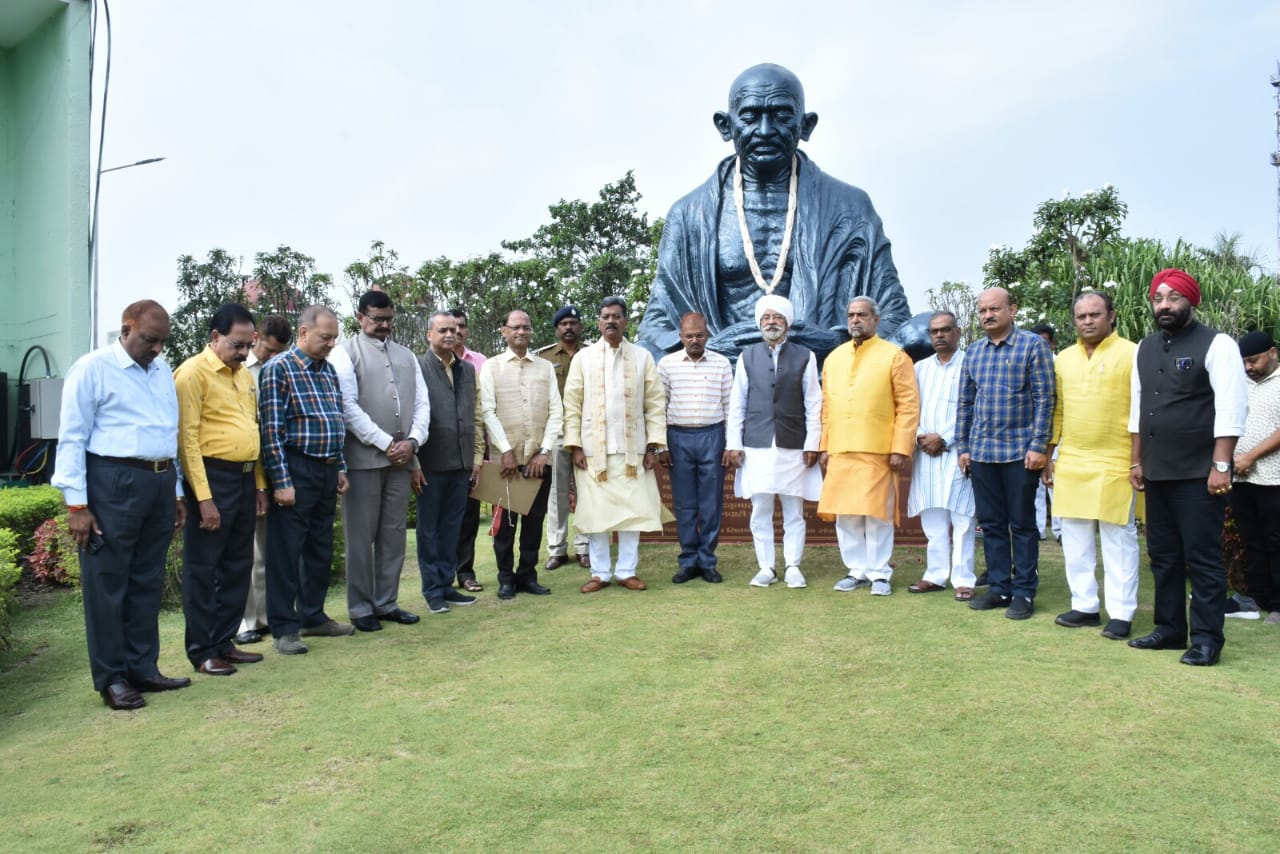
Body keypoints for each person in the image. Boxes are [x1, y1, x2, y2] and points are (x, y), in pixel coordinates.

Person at [638, 63, 913, 363]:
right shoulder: (689, 215)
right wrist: (714, 347)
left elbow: (894, 318)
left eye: (781, 116)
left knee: (922, 333)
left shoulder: (849, 207)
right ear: (725, 125)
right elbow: (657, 328)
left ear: (805, 125)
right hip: (718, 374)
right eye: (750, 116)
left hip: (820, 370)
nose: (765, 130)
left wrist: (836, 341)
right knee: (641, 358)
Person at [52, 300, 190, 710]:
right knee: (108, 583)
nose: (157, 349)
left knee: (147, 581)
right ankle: (111, 677)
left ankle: (142, 667)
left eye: (163, 341)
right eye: (150, 339)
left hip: (159, 482)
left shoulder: (162, 369)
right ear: (125, 329)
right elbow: (72, 438)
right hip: (112, 481)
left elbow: (169, 430)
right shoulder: (92, 369)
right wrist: (77, 506)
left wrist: (177, 491)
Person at [1127, 269, 1248, 666]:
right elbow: (1137, 411)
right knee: (1162, 556)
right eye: (1158, 298)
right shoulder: (1144, 347)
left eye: (1173, 297)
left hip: (1200, 472)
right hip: (1157, 470)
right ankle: (1170, 629)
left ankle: (1208, 639)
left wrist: (1221, 464)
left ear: (1190, 301)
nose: (1164, 305)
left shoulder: (1218, 344)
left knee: (1203, 559)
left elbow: (1231, 409)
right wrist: (1137, 460)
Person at [173, 303, 268, 677]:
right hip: (211, 479)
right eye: (238, 345)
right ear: (215, 337)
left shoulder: (244, 375)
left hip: (244, 478)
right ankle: (202, 650)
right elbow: (187, 441)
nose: (245, 354)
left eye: (249, 345)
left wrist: (259, 484)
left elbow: (252, 429)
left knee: (237, 564)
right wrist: (203, 498)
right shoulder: (191, 374)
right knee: (204, 568)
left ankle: (225, 641)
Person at [1043, 292, 1140, 640]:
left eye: (1095, 314)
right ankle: (1084, 605)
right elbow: (1058, 410)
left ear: (1111, 316)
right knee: (1075, 538)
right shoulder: (1063, 359)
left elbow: (1142, 413)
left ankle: (1121, 613)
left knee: (1118, 539)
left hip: (1117, 459)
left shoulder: (1133, 353)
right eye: (1081, 315)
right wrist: (1049, 454)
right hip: (1072, 459)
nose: (1087, 321)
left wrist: (1137, 460)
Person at [331, 291, 430, 632]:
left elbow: (422, 405)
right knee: (360, 537)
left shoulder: (406, 356)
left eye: (389, 319)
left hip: (402, 461)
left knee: (393, 535)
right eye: (377, 319)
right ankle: (360, 608)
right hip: (363, 461)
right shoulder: (343, 353)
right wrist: (388, 443)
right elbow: (347, 406)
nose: (384, 325)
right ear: (360, 317)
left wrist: (413, 442)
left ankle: (387, 601)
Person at [955, 287, 1055, 620]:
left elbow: (1044, 400)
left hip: (1019, 453)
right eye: (982, 310)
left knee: (1022, 525)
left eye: (994, 309)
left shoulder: (1032, 346)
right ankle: (999, 588)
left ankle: (1024, 592)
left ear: (1013, 310)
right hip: (982, 452)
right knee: (993, 525)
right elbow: (966, 403)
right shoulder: (974, 351)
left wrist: (1038, 446)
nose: (987, 315)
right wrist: (964, 447)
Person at [259, 305, 353, 655]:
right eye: (324, 337)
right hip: (296, 469)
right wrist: (281, 481)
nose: (330, 344)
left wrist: (340, 465)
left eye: (333, 338)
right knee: (286, 551)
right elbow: (272, 431)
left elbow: (335, 419)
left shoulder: (327, 371)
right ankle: (284, 627)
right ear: (302, 333)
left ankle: (312, 616)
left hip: (327, 468)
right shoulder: (277, 370)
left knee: (319, 547)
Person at [563, 296, 668, 592]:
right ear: (598, 322)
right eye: (605, 316)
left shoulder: (642, 357)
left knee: (631, 513)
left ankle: (626, 571)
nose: (611, 321)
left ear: (625, 321)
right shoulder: (583, 358)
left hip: (633, 451)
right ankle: (599, 573)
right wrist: (575, 445)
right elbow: (572, 403)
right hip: (593, 453)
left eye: (616, 316)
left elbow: (655, 404)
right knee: (597, 515)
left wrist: (653, 447)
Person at [819, 297, 919, 596]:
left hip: (877, 449)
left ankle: (879, 573)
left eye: (861, 315)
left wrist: (901, 448)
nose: (855, 320)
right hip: (840, 449)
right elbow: (826, 407)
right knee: (846, 514)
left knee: (877, 514)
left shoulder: (894, 356)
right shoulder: (834, 357)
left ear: (875, 319)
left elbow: (908, 406)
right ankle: (856, 570)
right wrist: (824, 446)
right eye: (851, 315)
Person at [726, 294, 823, 589]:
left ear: (787, 323)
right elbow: (737, 404)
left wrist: (812, 444)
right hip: (756, 447)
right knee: (761, 510)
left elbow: (814, 404)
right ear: (759, 323)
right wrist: (734, 443)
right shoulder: (747, 356)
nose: (771, 322)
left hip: (793, 446)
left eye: (777, 317)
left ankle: (793, 565)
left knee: (794, 511)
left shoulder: (806, 356)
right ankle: (766, 567)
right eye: (766, 318)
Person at [478, 309, 562, 599]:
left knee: (534, 523)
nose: (522, 332)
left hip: (540, 461)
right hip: (507, 462)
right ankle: (505, 578)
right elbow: (487, 411)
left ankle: (528, 576)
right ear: (504, 331)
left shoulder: (545, 367)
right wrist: (505, 451)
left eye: (526, 327)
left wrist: (544, 451)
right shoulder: (491, 367)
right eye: (515, 327)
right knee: (505, 525)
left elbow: (556, 412)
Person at [415, 311, 485, 614]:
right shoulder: (417, 368)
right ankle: (432, 590)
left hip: (461, 462)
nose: (450, 335)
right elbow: (411, 417)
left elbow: (477, 415)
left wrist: (478, 458)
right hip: (430, 463)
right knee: (429, 530)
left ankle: (447, 585)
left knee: (452, 528)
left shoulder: (468, 371)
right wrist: (413, 463)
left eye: (455, 330)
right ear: (429, 334)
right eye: (443, 330)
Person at [657, 312, 734, 584]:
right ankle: (688, 560)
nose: (694, 340)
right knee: (685, 504)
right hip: (678, 436)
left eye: (699, 335)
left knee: (711, 503)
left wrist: (731, 444)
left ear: (707, 335)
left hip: (713, 435)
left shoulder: (722, 363)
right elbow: (659, 407)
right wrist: (660, 446)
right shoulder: (666, 364)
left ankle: (707, 561)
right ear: (680, 337)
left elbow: (730, 407)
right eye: (689, 336)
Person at [906, 311, 978, 600]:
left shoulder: (971, 364)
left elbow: (974, 407)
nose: (939, 335)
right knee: (933, 518)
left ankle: (963, 579)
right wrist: (923, 436)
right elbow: (911, 406)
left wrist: (944, 437)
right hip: (926, 452)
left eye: (945, 330)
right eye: (934, 331)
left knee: (962, 519)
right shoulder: (919, 368)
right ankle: (935, 575)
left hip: (959, 452)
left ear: (958, 333)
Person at [234, 314, 291, 645]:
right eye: (269, 350)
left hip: (275, 468)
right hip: (243, 468)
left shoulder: (282, 368)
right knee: (245, 549)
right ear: (256, 339)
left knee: (272, 549)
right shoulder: (240, 369)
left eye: (279, 351)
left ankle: (269, 614)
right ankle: (245, 620)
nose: (273, 357)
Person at [537, 306, 591, 570]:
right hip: (557, 432)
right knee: (556, 493)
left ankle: (584, 547)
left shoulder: (592, 354)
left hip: (587, 432)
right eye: (564, 324)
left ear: (580, 327)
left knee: (586, 492)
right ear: (557, 328)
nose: (569, 327)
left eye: (573, 323)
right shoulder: (544, 357)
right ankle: (557, 549)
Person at [1231, 331, 1280, 624]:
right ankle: (1255, 598)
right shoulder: (1241, 384)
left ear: (1272, 352)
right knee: (1251, 539)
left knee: (1276, 540)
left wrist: (1250, 456)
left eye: (1254, 360)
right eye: (1244, 362)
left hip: (1274, 477)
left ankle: (1278, 603)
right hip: (1242, 478)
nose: (1249, 367)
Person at [450, 307, 488, 593]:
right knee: (440, 519)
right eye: (449, 328)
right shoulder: (424, 364)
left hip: (473, 452)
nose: (455, 332)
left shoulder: (480, 363)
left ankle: (465, 572)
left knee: (469, 516)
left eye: (460, 326)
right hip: (438, 453)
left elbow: (483, 412)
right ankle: (440, 575)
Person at [1030, 323, 1062, 542]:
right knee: (1035, 485)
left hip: (1058, 432)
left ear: (1052, 343)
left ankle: (1060, 530)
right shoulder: (1027, 363)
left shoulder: (1060, 364)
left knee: (1055, 482)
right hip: (1033, 431)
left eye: (1045, 341)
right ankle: (1038, 528)